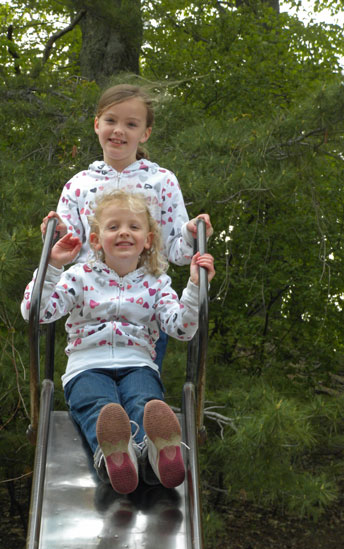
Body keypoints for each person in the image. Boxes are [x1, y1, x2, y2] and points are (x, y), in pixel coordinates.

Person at [21, 190, 215, 495]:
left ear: (147, 239)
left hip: (137, 363)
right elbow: (38, 312)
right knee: (100, 408)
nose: (124, 232)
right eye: (113, 227)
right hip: (87, 366)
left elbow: (182, 328)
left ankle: (156, 454)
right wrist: (53, 266)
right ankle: (113, 456)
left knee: (145, 404)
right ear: (96, 240)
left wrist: (193, 286)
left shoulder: (157, 283)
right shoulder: (80, 276)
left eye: (133, 227)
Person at [41, 83, 213, 370]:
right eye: (110, 120)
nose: (118, 130)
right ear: (97, 125)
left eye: (130, 124)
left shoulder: (162, 181)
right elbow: (68, 247)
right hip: (90, 301)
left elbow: (178, 252)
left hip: (143, 302)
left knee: (140, 377)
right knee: (95, 377)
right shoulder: (80, 184)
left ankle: (141, 410)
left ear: (144, 133)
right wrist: (56, 231)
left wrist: (191, 233)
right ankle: (100, 407)